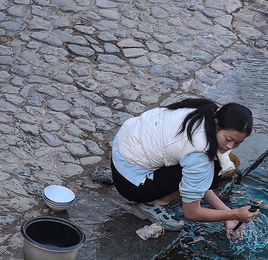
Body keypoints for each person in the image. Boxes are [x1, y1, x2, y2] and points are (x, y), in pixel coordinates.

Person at [111, 98, 259, 232]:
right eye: (228, 139)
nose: (230, 147)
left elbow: (199, 180)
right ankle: (152, 205)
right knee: (213, 168)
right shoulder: (200, 151)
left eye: (237, 143)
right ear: (217, 123)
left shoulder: (204, 111)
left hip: (122, 152)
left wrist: (228, 214)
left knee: (206, 169)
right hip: (130, 183)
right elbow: (192, 213)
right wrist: (234, 214)